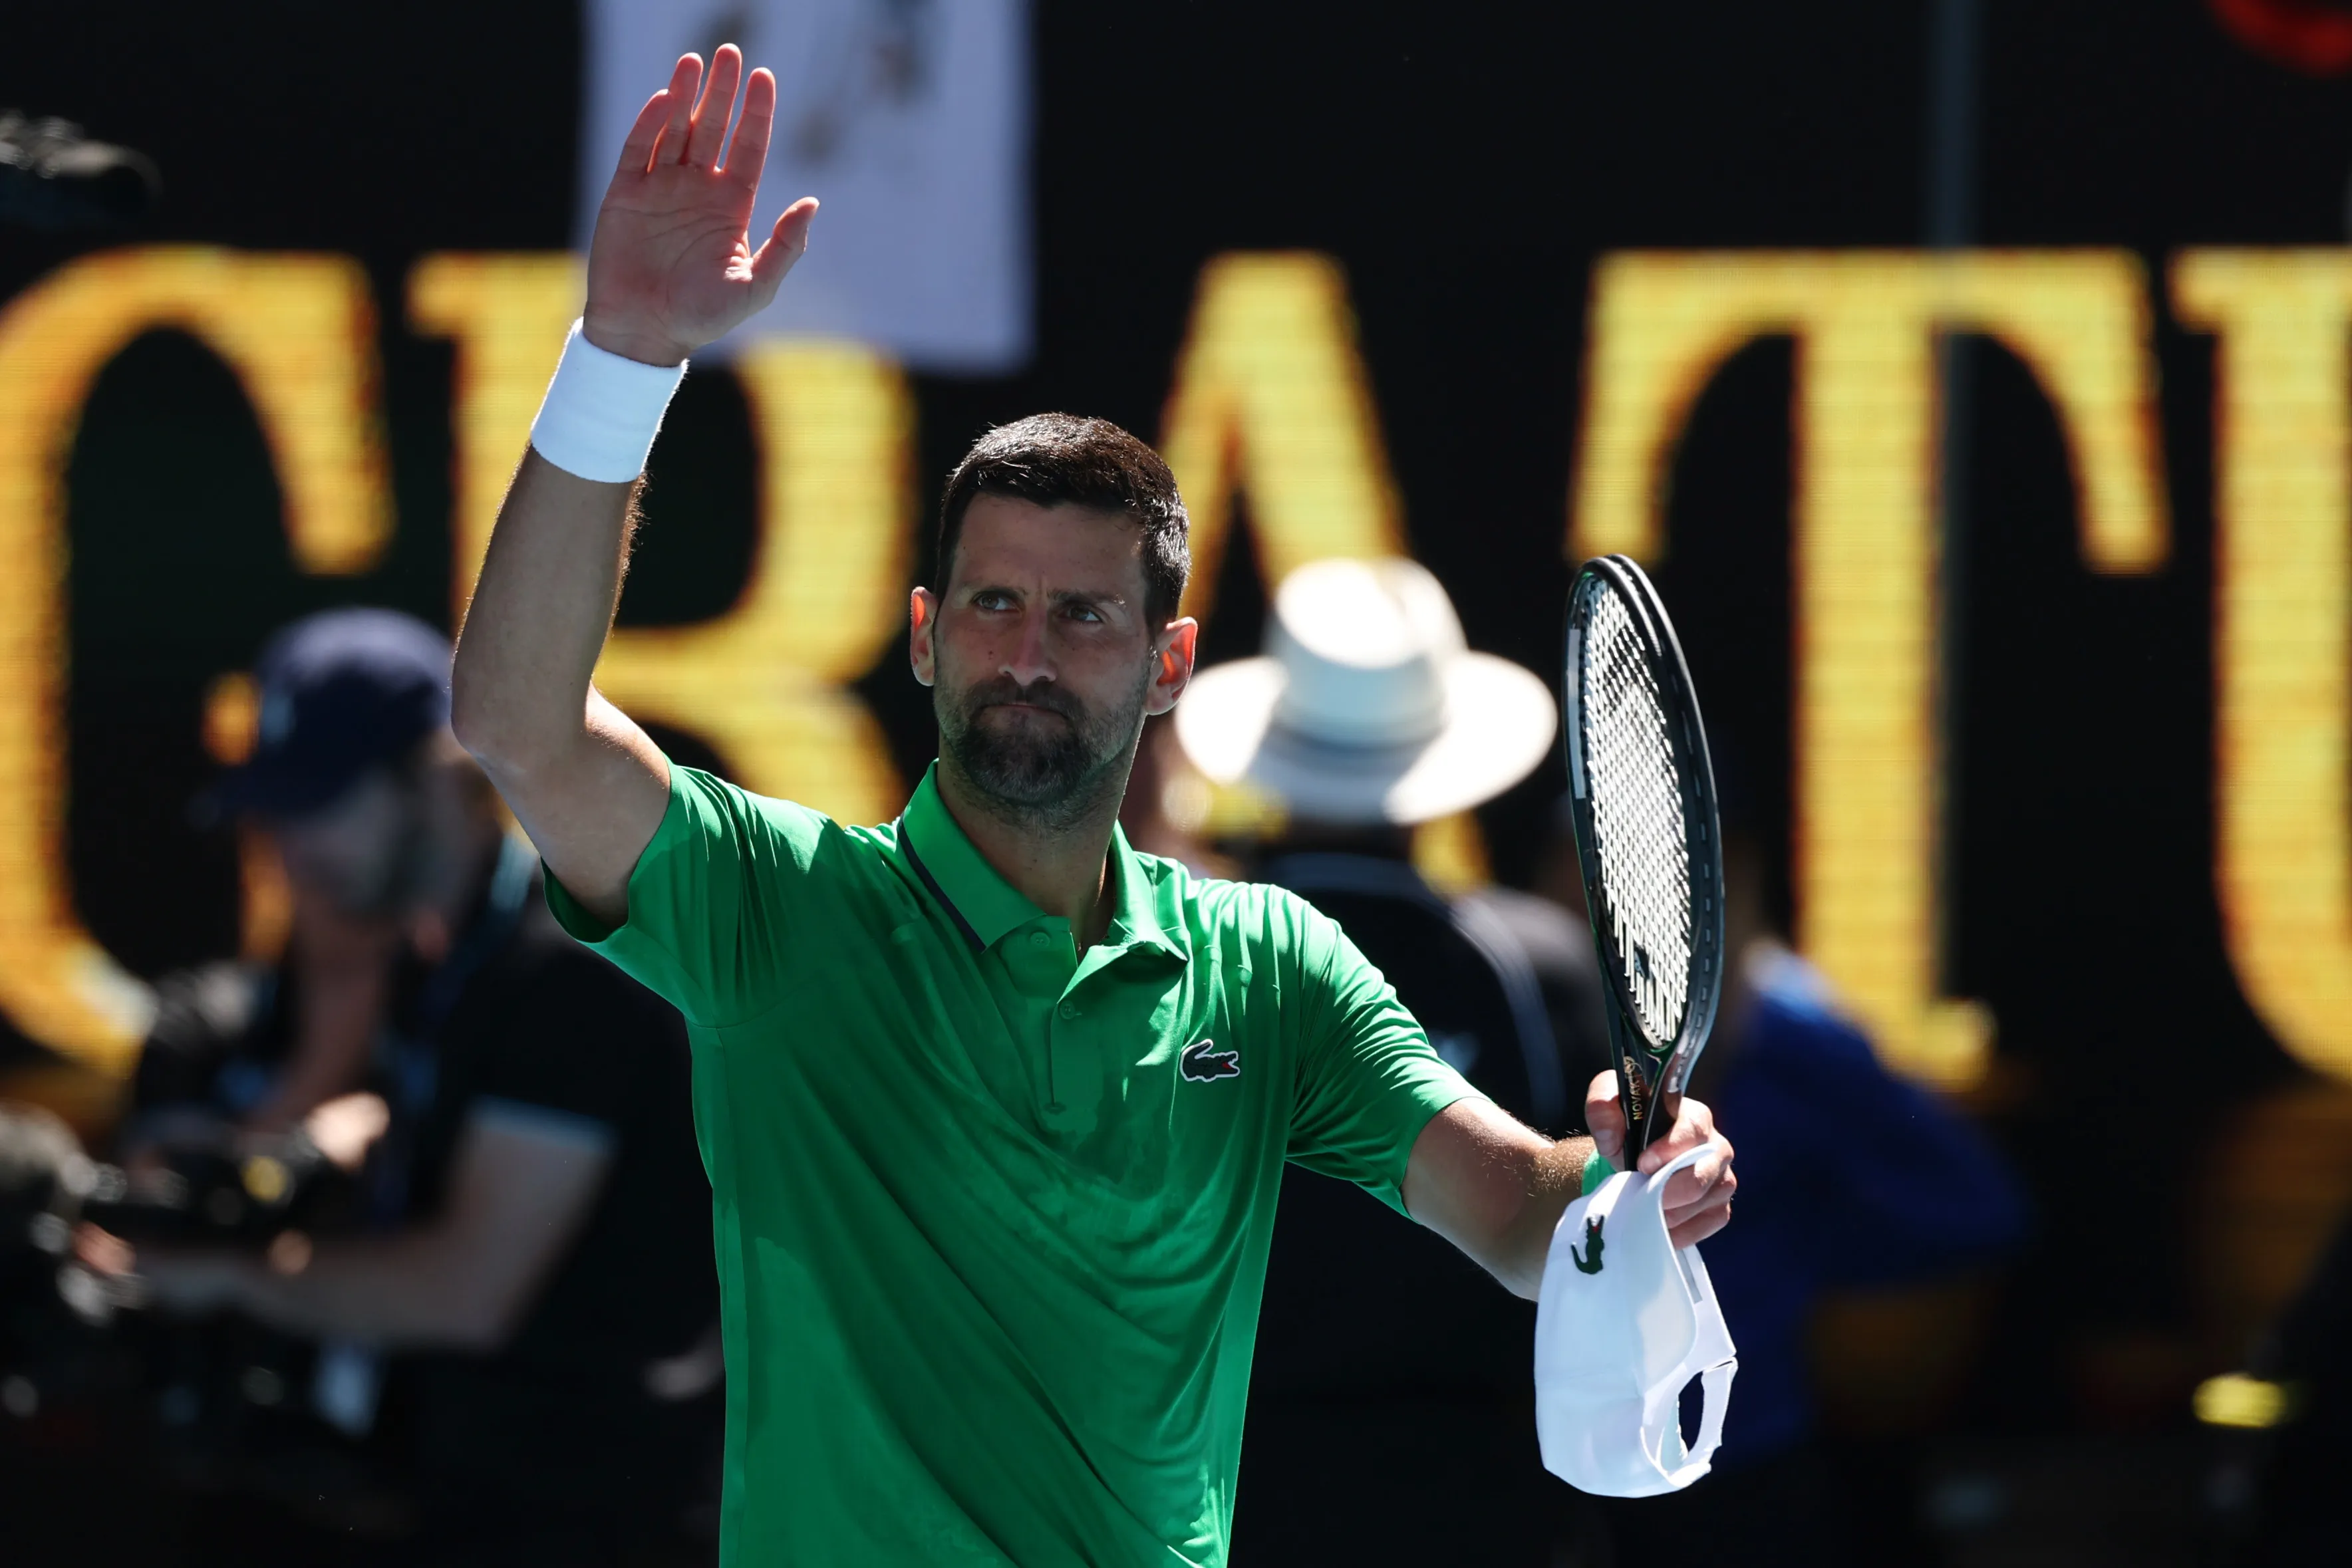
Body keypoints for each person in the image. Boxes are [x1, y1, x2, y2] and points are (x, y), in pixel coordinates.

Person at [449, 45, 1737, 1567]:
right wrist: (622, 356)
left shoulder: (1272, 965)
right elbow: (516, 721)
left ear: (1167, 661)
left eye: (1082, 616)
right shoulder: (777, 909)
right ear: (924, 635)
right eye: (991, 603)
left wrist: (1622, 1185)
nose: (1027, 655)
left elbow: (1520, 1220)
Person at [104, 609, 721, 1565]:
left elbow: (465, 1289)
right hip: (481, 1508)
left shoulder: (569, 967)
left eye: (322, 799)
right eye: (279, 807)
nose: (289, 846)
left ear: (438, 775)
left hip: (603, 1527)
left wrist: (228, 1273)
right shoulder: (439, 969)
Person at [1173, 557, 1612, 1563]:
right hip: (1480, 1514)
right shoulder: (1538, 969)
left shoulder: (1163, 961)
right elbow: (1606, 1247)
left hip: (1213, 1507)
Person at [1590, 814, 2026, 1567]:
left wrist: (1797, 1268)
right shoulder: (1559, 1006)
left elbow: (1979, 1209)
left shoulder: (1800, 1036)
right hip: (1579, 1471)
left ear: (1734, 877)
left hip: (1741, 1472)